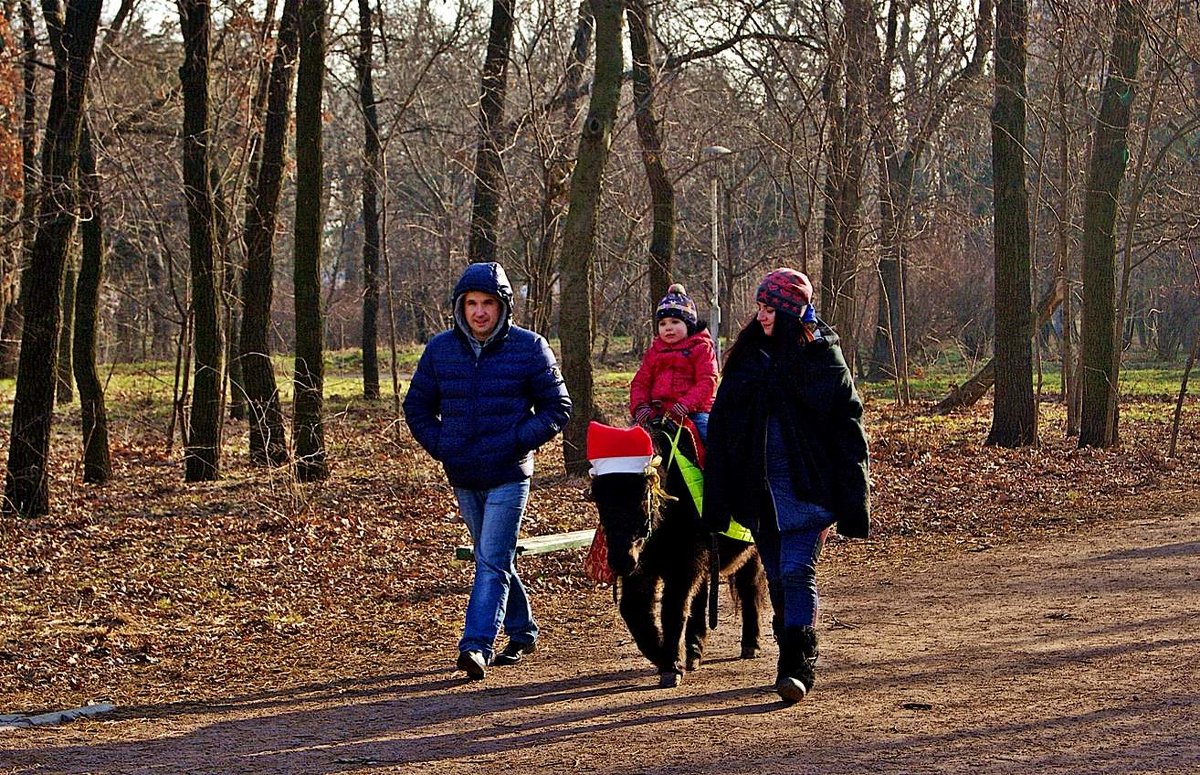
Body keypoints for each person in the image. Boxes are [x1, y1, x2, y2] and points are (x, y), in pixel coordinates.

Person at [701, 268, 869, 703]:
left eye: (769, 308)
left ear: (791, 310)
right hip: (759, 497)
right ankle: (789, 650)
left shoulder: (822, 356)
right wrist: (719, 499)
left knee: (797, 570)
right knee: (776, 575)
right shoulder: (748, 358)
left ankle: (796, 665)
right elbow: (721, 430)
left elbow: (848, 427)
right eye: (759, 307)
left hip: (810, 493)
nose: (761, 316)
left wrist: (853, 499)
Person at [403, 262, 572, 681]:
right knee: (491, 557)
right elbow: (417, 407)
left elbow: (558, 407)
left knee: (491, 560)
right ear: (460, 307)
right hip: (463, 472)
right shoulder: (440, 350)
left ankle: (476, 644)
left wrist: (517, 440)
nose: (480, 312)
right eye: (472, 303)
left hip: (510, 473)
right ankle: (522, 629)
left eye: (489, 304)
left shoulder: (530, 347)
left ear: (504, 307)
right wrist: (442, 446)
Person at [629, 283, 718, 444]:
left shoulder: (700, 348)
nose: (668, 328)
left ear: (688, 324)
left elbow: (707, 380)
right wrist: (640, 406)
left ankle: (716, 468)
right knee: (632, 440)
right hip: (657, 413)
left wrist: (685, 405)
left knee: (710, 436)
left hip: (694, 411)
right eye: (663, 324)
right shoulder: (655, 352)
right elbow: (640, 383)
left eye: (675, 322)